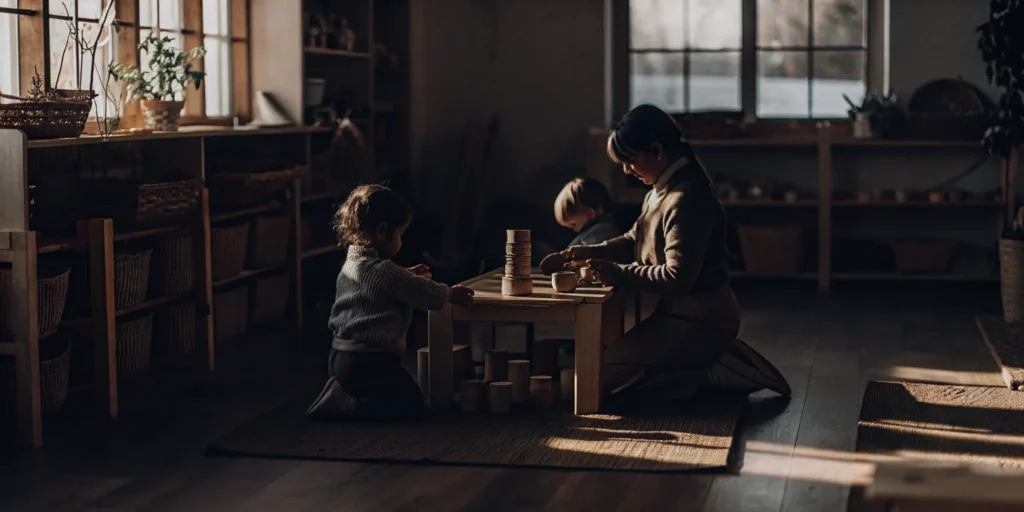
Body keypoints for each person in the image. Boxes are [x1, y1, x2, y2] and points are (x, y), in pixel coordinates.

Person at [540, 104, 790, 404]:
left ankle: (722, 369)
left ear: (657, 150)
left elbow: (678, 277)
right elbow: (636, 238)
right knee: (596, 378)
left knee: (598, 382)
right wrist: (589, 251)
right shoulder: (658, 190)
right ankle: (702, 361)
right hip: (676, 315)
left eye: (630, 161)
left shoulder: (686, 198)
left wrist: (616, 272)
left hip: (702, 319)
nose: (626, 170)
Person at [306, 184, 475, 421]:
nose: (401, 241)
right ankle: (346, 403)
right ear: (382, 231)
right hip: (367, 360)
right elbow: (417, 291)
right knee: (409, 406)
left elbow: (385, 283)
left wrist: (406, 274)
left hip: (341, 356)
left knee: (394, 394)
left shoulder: (352, 264)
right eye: (400, 235)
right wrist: (448, 294)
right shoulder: (384, 271)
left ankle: (345, 390)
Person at [554, 177, 621, 248]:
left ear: (590, 214)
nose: (574, 230)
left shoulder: (601, 232)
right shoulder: (590, 231)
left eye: (573, 224)